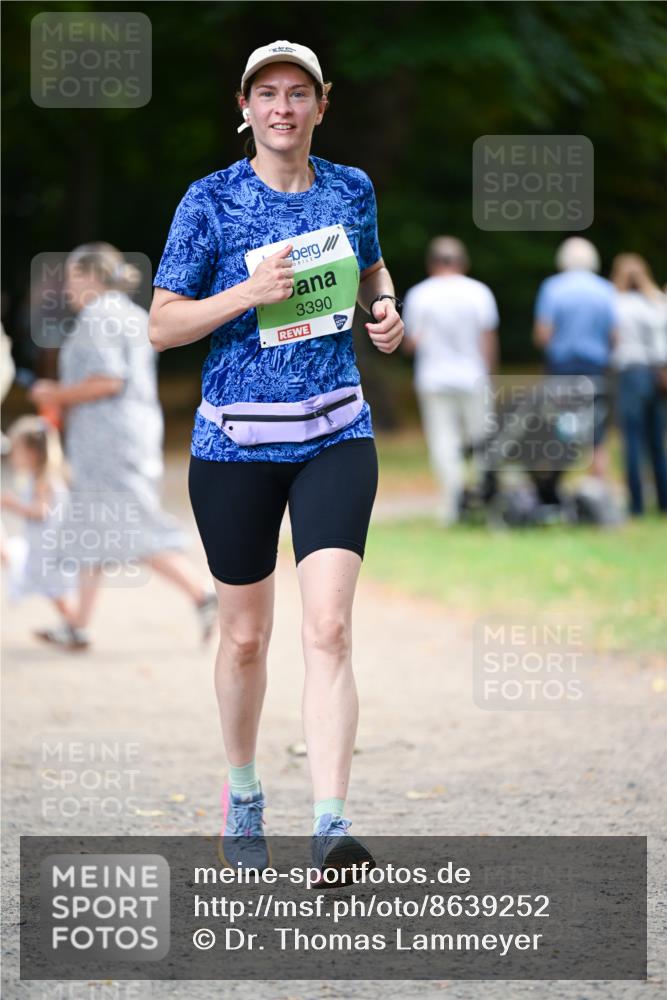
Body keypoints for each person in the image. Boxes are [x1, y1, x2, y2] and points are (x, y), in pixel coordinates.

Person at [149, 40, 403, 877]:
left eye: (299, 94)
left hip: (334, 430)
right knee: (247, 638)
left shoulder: (349, 187)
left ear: (320, 106)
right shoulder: (210, 201)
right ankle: (245, 794)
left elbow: (369, 268)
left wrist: (386, 309)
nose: (283, 108)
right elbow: (163, 324)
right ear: (246, 107)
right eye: (268, 94)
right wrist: (245, 296)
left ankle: (331, 822)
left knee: (327, 628)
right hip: (234, 443)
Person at [28, 243, 218, 650]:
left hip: (109, 440)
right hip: (126, 433)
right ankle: (77, 625)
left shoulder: (100, 317)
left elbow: (108, 380)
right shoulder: (130, 314)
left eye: (73, 277)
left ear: (92, 276)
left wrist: (55, 393)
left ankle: (203, 594)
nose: (67, 287)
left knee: (127, 525)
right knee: (92, 527)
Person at [401, 236, 499, 525]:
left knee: (443, 441)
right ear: (463, 262)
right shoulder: (479, 292)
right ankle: (487, 498)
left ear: (431, 263)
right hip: (473, 376)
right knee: (483, 438)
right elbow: (488, 339)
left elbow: (411, 344)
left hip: (433, 378)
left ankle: (454, 502)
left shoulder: (420, 294)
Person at [533, 237, 617, 479]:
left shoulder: (552, 287)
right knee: (597, 432)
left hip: (562, 367)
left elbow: (543, 334)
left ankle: (555, 488)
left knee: (560, 427)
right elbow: (615, 334)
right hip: (595, 367)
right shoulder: (605, 289)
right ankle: (598, 489)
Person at [0, 416, 83, 644]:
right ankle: (74, 625)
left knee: (58, 592)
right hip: (44, 547)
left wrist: (11, 504)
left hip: (51, 549)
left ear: (32, 454)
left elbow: (41, 511)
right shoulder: (40, 477)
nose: (12, 458)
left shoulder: (44, 480)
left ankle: (76, 626)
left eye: (16, 452)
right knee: (56, 592)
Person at [610, 253, 667, 516]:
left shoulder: (615, 304)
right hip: (658, 374)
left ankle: (636, 505)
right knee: (657, 441)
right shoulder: (656, 302)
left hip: (631, 374)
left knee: (632, 440)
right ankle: (664, 500)